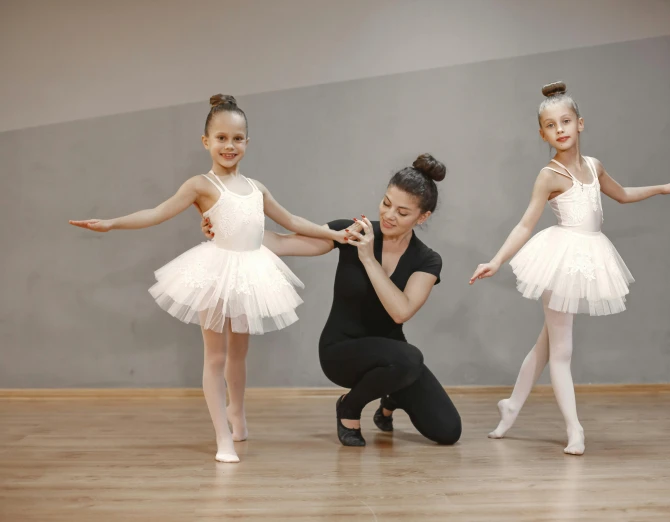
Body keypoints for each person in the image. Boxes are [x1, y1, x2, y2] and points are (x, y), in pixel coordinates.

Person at [70, 95, 345, 463]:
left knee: (240, 354)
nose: (229, 146)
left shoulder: (257, 188)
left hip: (251, 274)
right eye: (221, 138)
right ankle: (222, 439)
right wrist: (112, 223)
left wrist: (337, 235)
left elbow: (293, 222)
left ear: (248, 142)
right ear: (206, 141)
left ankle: (238, 413)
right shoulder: (200, 185)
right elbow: (156, 213)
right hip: (215, 273)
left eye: (237, 138)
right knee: (215, 357)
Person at [469, 81, 670, 455]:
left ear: (580, 124)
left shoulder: (594, 166)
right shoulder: (549, 175)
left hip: (587, 257)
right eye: (551, 125)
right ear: (542, 133)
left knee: (547, 344)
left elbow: (622, 195)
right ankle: (575, 429)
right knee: (562, 350)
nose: (560, 130)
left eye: (566, 121)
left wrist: (662, 188)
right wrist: (496, 261)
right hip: (560, 260)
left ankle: (511, 407)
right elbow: (526, 224)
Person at [201, 153, 462, 447]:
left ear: (422, 217)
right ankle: (349, 408)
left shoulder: (427, 260)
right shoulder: (352, 232)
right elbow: (283, 242)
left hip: (395, 359)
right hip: (341, 351)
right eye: (386, 203)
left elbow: (401, 311)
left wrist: (368, 259)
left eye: (402, 212)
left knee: (448, 430)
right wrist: (228, 233)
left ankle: (390, 398)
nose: (389, 215)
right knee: (411, 357)